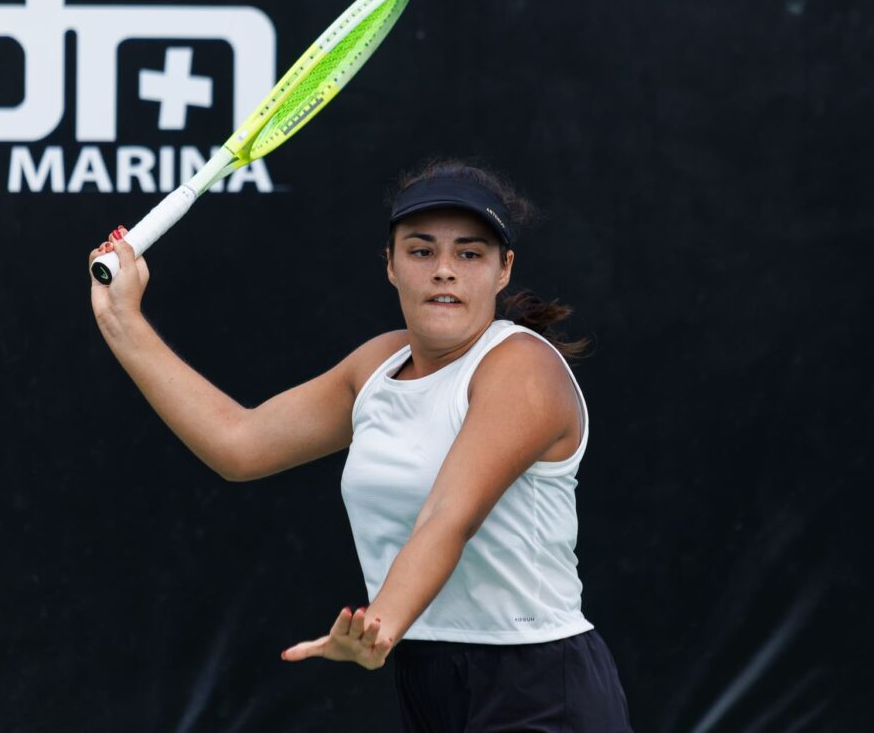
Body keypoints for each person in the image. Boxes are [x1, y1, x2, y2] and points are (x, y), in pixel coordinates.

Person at [88, 159, 632, 731]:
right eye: (421, 251)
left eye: (470, 254)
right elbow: (239, 444)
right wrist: (121, 316)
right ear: (391, 266)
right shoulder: (378, 365)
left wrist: (380, 624)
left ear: (503, 270)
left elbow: (449, 516)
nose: (445, 270)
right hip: (427, 677)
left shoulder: (523, 368)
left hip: (541, 686)